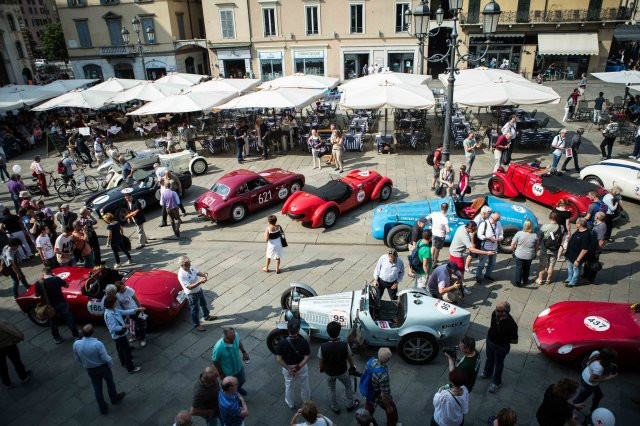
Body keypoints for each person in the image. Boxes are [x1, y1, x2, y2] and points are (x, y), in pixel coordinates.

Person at [73, 324, 125, 415]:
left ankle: (102, 407)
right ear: (92, 332)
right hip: (102, 367)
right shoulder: (97, 344)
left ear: (83, 333)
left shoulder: (76, 344)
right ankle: (114, 398)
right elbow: (105, 358)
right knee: (110, 383)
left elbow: (77, 358)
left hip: (90, 369)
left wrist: (86, 364)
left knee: (97, 388)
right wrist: (110, 363)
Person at [318, 321, 360, 414]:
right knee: (348, 386)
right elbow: (349, 358)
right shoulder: (344, 345)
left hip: (329, 373)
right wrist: (352, 367)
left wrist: (322, 369)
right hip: (342, 371)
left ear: (328, 332)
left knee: (331, 389)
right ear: (339, 331)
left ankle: (335, 407)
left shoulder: (323, 347)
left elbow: (321, 362)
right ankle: (350, 404)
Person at [480, 301, 518, 393]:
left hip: (501, 347)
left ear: (504, 312)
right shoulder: (495, 314)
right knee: (489, 358)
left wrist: (503, 340)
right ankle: (487, 373)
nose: (495, 310)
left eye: (498, 310)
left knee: (498, 364)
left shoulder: (512, 325)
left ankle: (497, 382)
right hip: (490, 341)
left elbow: (515, 340)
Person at [36, 267, 80, 343]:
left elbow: (37, 295)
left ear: (43, 274)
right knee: (69, 319)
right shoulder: (56, 279)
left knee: (53, 322)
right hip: (61, 302)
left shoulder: (40, 283)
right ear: (51, 272)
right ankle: (76, 335)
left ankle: (57, 338)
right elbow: (66, 286)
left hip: (49, 305)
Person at [276, 318, 311, 409]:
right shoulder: (303, 342)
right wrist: (297, 367)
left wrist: (289, 369)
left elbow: (279, 359)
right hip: (301, 366)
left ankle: (290, 403)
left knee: (288, 385)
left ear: (288, 329)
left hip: (287, 367)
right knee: (304, 384)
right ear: (299, 330)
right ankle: (306, 402)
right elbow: (307, 357)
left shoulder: (281, 343)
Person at [103, 295, 143, 374]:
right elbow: (113, 327)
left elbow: (124, 312)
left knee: (121, 350)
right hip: (119, 336)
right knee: (126, 351)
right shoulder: (110, 315)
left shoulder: (112, 310)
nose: (116, 303)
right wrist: (123, 326)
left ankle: (124, 363)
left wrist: (136, 309)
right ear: (111, 304)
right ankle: (131, 368)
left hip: (117, 336)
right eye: (114, 302)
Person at [572, 349, 618, 417]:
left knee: (599, 395)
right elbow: (592, 380)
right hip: (588, 384)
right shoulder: (600, 368)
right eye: (612, 359)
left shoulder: (596, 353)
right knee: (580, 398)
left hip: (585, 375)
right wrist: (608, 378)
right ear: (607, 360)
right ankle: (569, 411)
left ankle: (592, 411)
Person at [177, 255, 215, 331]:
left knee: (203, 304)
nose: (190, 265)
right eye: (187, 264)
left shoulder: (190, 267)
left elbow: (197, 272)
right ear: (182, 265)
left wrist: (203, 274)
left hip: (199, 290)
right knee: (195, 310)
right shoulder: (181, 275)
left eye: (189, 263)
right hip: (192, 294)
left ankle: (207, 316)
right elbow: (189, 287)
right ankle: (197, 325)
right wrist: (200, 282)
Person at [212, 328, 250, 396]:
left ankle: (238, 389)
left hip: (238, 367)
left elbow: (238, 342)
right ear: (224, 337)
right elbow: (215, 361)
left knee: (242, 380)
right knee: (230, 387)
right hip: (228, 373)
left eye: (233, 338)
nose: (232, 341)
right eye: (230, 339)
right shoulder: (218, 347)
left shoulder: (235, 336)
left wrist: (244, 352)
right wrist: (221, 373)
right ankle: (233, 395)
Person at [364, 348, 397, 426]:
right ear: (388, 359)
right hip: (377, 394)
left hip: (368, 390)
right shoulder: (383, 375)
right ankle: (391, 423)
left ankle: (369, 422)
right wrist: (388, 407)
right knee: (392, 409)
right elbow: (384, 394)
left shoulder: (370, 361)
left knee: (368, 410)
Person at [536, 211, 565, 286]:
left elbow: (540, 237)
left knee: (542, 265)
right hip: (555, 249)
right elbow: (562, 237)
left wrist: (538, 245)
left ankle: (540, 279)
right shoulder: (561, 227)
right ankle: (548, 280)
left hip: (545, 249)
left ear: (550, 217)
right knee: (551, 265)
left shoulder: (545, 226)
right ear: (557, 218)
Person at [0, 319, 31, 388]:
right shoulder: (1, 323)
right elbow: (11, 330)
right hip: (8, 345)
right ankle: (23, 376)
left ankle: (7, 383)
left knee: (2, 366)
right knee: (16, 361)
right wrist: (20, 336)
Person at [114, 281, 146, 347]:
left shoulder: (129, 290)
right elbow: (121, 305)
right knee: (131, 326)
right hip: (128, 312)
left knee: (140, 325)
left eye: (123, 288)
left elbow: (136, 300)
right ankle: (137, 336)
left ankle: (143, 338)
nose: (123, 290)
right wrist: (126, 314)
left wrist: (140, 309)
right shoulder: (117, 295)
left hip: (136, 310)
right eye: (121, 290)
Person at [476, 211, 503, 285]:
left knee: (492, 263)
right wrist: (488, 238)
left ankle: (487, 275)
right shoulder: (484, 224)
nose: (497, 221)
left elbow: (501, 233)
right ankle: (478, 277)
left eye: (498, 220)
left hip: (494, 247)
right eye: (496, 220)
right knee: (482, 263)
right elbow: (479, 235)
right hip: (485, 247)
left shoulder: (499, 223)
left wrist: (500, 238)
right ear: (491, 218)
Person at [510, 219, 538, 287]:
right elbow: (536, 247)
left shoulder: (519, 233)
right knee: (527, 268)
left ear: (524, 225)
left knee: (519, 268)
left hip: (519, 255)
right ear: (531, 226)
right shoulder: (535, 235)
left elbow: (512, 244)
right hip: (529, 256)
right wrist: (535, 253)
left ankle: (518, 282)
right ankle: (525, 280)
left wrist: (513, 250)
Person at [564, 218, 591, 288]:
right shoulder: (578, 230)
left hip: (577, 257)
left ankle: (573, 282)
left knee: (576, 269)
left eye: (576, 223)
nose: (575, 224)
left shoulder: (586, 235)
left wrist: (578, 260)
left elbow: (584, 250)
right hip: (570, 255)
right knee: (570, 268)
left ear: (580, 224)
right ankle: (569, 278)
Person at [584, 212, 607, 283]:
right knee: (588, 262)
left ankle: (590, 279)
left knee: (593, 264)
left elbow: (601, 240)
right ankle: (585, 275)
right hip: (591, 247)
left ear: (597, 217)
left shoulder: (601, 227)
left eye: (595, 215)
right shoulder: (597, 223)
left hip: (594, 249)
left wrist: (597, 250)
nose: (594, 216)